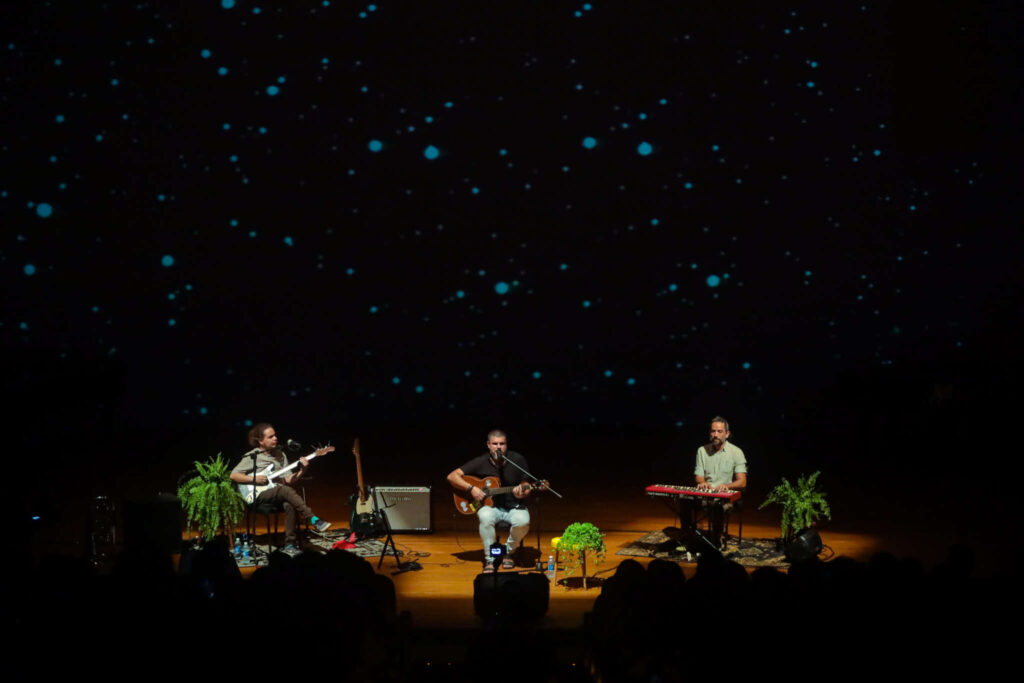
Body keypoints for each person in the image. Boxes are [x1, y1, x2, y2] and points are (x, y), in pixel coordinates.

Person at [229, 423, 330, 555]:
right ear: (261, 441)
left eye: (275, 435)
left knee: (289, 504)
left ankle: (289, 544)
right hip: (256, 496)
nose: (275, 438)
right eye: (270, 437)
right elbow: (233, 475)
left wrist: (303, 469)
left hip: (275, 493)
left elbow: (288, 480)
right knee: (284, 490)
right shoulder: (253, 456)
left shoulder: (281, 455)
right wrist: (254, 479)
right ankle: (313, 519)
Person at [447, 430, 532, 573]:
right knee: (485, 517)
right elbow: (452, 476)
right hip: (490, 507)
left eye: (502, 444)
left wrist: (523, 491)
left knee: (523, 521)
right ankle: (490, 559)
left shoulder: (517, 460)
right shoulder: (481, 461)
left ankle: (507, 552)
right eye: (495, 443)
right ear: (488, 445)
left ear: (506, 445)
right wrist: (472, 488)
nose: (498, 447)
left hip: (514, 507)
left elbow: (526, 485)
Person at [693, 416, 747, 548]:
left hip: (727, 498)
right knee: (684, 501)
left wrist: (726, 486)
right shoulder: (702, 450)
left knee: (717, 507)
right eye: (713, 431)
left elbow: (742, 482)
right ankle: (689, 535)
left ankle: (715, 541)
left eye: (719, 431)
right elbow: (699, 475)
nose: (715, 434)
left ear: (727, 434)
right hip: (707, 494)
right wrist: (702, 482)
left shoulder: (736, 452)